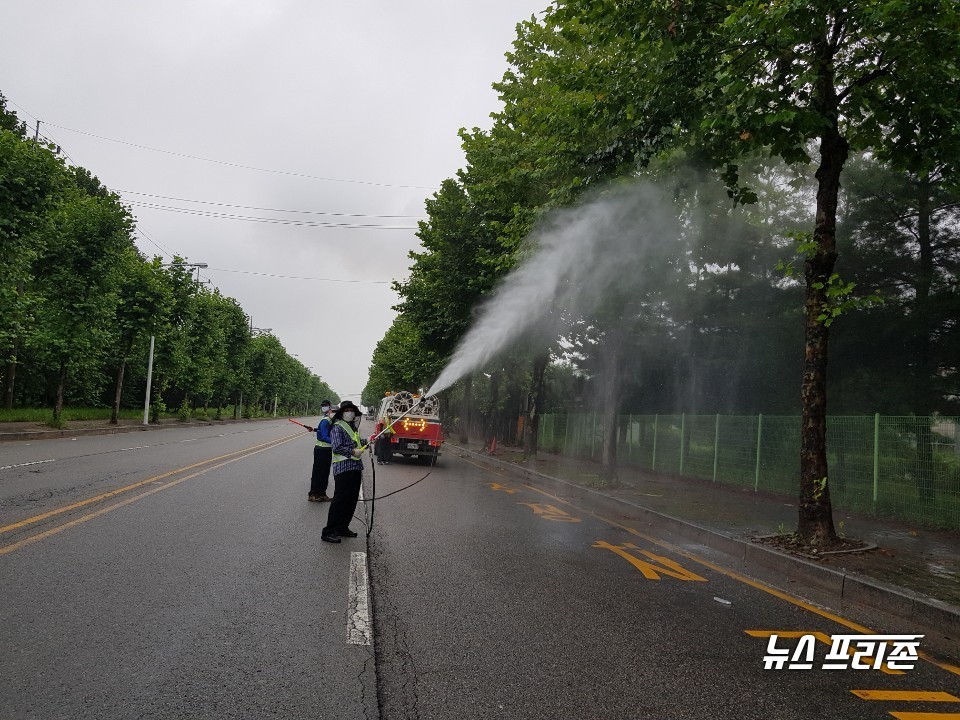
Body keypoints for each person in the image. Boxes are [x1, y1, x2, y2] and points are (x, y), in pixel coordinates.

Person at [321, 401, 367, 543]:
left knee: (351, 500)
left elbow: (356, 443)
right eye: (346, 410)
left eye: (351, 410)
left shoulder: (352, 427)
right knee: (340, 500)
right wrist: (352, 451)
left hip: (355, 467)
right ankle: (328, 531)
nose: (350, 413)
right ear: (341, 413)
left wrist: (369, 440)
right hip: (343, 468)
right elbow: (336, 447)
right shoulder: (337, 427)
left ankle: (342, 527)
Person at [304, 400, 334, 502]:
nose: (324, 407)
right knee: (319, 473)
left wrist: (314, 429)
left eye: (325, 406)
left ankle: (321, 494)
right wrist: (336, 443)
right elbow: (325, 436)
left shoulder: (327, 419)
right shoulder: (326, 420)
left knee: (324, 473)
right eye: (323, 406)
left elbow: (322, 431)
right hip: (322, 450)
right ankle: (313, 494)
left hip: (324, 450)